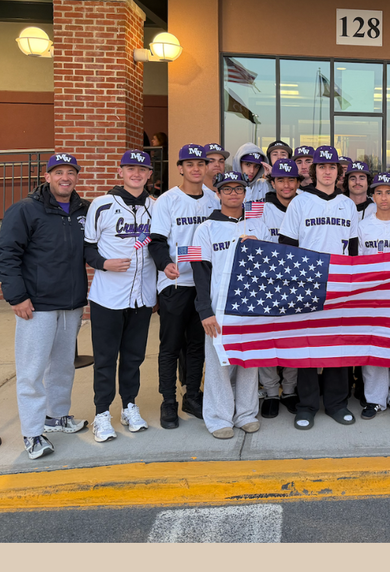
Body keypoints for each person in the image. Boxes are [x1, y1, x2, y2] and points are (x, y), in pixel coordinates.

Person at [0, 153, 89, 459]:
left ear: (76, 177)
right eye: (59, 172)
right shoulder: (25, 210)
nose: (66, 177)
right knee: (31, 370)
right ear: (47, 176)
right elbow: (7, 254)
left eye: (71, 172)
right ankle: (33, 432)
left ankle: (57, 415)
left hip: (72, 302)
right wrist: (16, 296)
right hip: (36, 305)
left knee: (63, 365)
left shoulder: (83, 210)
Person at [279, 145, 359, 429]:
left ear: (339, 172)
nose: (327, 171)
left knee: (338, 343)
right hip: (306, 282)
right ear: (314, 171)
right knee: (308, 346)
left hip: (339, 283)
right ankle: (307, 405)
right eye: (322, 167)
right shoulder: (300, 202)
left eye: (332, 167)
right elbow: (287, 244)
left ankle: (337, 403)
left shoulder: (347, 204)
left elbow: (353, 248)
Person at [83, 150, 157, 442]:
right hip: (107, 296)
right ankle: (102, 413)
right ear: (120, 171)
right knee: (105, 358)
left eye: (142, 169)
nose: (136, 173)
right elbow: (87, 247)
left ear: (149, 174)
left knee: (133, 357)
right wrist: (103, 263)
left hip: (142, 296)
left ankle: (129, 406)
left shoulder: (156, 205)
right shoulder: (101, 205)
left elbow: (161, 245)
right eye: (130, 168)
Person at [149, 143, 218, 429]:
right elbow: (156, 240)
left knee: (197, 345)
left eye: (200, 164)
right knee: (170, 346)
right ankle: (168, 401)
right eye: (189, 164)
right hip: (175, 282)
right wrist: (165, 264)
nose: (195, 168)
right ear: (180, 168)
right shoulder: (167, 200)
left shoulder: (214, 199)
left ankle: (192, 395)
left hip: (203, 285)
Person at [191, 171, 261, 439]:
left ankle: (246, 414)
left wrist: (259, 247)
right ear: (217, 193)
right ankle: (218, 418)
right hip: (219, 309)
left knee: (248, 363)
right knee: (219, 364)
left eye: (239, 189)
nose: (234, 193)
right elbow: (200, 272)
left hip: (251, 306)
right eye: (227, 189)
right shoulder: (205, 228)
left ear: (245, 193)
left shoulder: (257, 225)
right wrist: (205, 312)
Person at [252, 158, 302, 418]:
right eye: (280, 179)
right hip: (267, 285)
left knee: (293, 340)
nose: (286, 184)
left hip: (298, 284)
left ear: (297, 182)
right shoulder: (258, 209)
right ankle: (271, 391)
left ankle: (291, 390)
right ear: (272, 182)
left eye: (291, 179)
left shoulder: (305, 205)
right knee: (267, 341)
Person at [357, 172, 390, 418]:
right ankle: (374, 399)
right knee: (373, 345)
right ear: (372, 196)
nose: (383, 197)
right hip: (371, 294)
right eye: (378, 192)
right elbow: (356, 261)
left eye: (388, 192)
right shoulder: (363, 226)